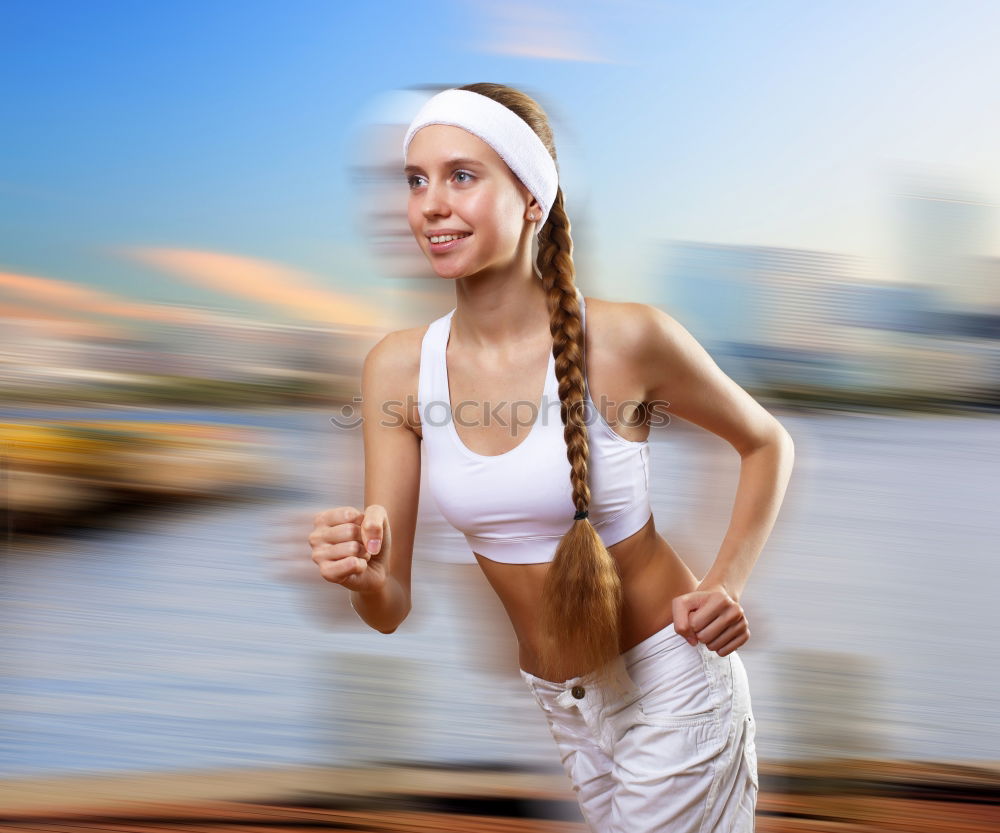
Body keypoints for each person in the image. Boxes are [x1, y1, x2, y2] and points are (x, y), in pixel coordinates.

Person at [309, 82, 795, 832]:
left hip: (671, 682)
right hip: (563, 706)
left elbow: (766, 441)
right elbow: (389, 607)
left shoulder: (629, 338)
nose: (430, 204)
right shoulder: (397, 369)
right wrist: (363, 575)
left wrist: (727, 581)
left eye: (462, 175)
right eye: (416, 180)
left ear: (533, 198)